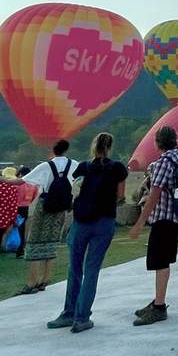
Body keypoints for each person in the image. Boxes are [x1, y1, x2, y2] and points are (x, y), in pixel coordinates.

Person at [48, 132, 126, 333]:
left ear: (94, 146)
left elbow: (76, 189)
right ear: (110, 147)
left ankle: (68, 312)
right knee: (91, 269)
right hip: (104, 222)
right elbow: (120, 195)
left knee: (74, 268)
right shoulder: (117, 168)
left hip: (81, 221)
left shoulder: (83, 167)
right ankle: (82, 317)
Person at [129, 126, 178, 326]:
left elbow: (154, 195)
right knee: (163, 260)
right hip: (176, 217)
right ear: (175, 140)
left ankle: (159, 306)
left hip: (164, 218)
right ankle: (158, 300)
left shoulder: (163, 163)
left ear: (157, 143)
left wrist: (139, 223)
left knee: (160, 262)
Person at [13, 140, 76, 295]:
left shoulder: (46, 166)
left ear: (53, 151)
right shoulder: (74, 165)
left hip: (46, 205)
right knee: (52, 240)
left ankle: (31, 282)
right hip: (61, 207)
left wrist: (3, 181)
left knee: (34, 241)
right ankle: (44, 278)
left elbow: (22, 180)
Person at [13, 165, 37, 258]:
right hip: (25, 208)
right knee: (21, 229)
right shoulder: (32, 185)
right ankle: (20, 250)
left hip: (14, 207)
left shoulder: (17, 184)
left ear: (21, 174)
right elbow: (34, 196)